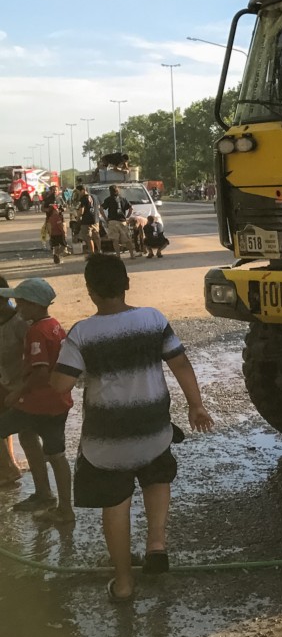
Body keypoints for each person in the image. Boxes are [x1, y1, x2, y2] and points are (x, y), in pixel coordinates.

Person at [50, 254, 213, 603]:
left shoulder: (82, 333)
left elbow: (61, 385)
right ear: (127, 284)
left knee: (117, 504)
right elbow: (180, 363)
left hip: (107, 443)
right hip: (154, 428)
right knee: (156, 477)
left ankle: (123, 584)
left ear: (90, 291)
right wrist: (196, 405)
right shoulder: (152, 319)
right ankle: (156, 542)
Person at [0, 278, 74, 525]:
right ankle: (61, 505)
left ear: (31, 304)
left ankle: (48, 497)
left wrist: (17, 391)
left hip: (36, 402)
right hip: (56, 402)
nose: (17, 305)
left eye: (20, 301)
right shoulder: (53, 325)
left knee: (14, 430)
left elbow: (40, 371)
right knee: (55, 453)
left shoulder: (33, 330)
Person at [0, 277, 29, 489]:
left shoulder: (19, 322)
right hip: (3, 379)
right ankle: (8, 464)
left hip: (20, 381)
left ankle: (8, 469)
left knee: (23, 430)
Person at [100, 185, 137, 260]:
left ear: (110, 191)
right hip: (122, 221)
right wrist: (127, 217)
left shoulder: (108, 199)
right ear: (118, 191)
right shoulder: (123, 199)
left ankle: (118, 256)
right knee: (127, 239)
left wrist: (105, 218)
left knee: (115, 240)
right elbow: (130, 208)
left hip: (112, 221)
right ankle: (132, 254)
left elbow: (101, 208)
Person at [77, 184, 101, 255]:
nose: (78, 194)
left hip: (86, 221)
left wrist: (78, 218)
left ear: (83, 190)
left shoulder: (83, 199)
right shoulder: (95, 197)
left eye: (79, 192)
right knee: (96, 236)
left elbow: (81, 211)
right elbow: (99, 207)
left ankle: (92, 252)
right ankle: (99, 250)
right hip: (95, 220)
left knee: (89, 237)